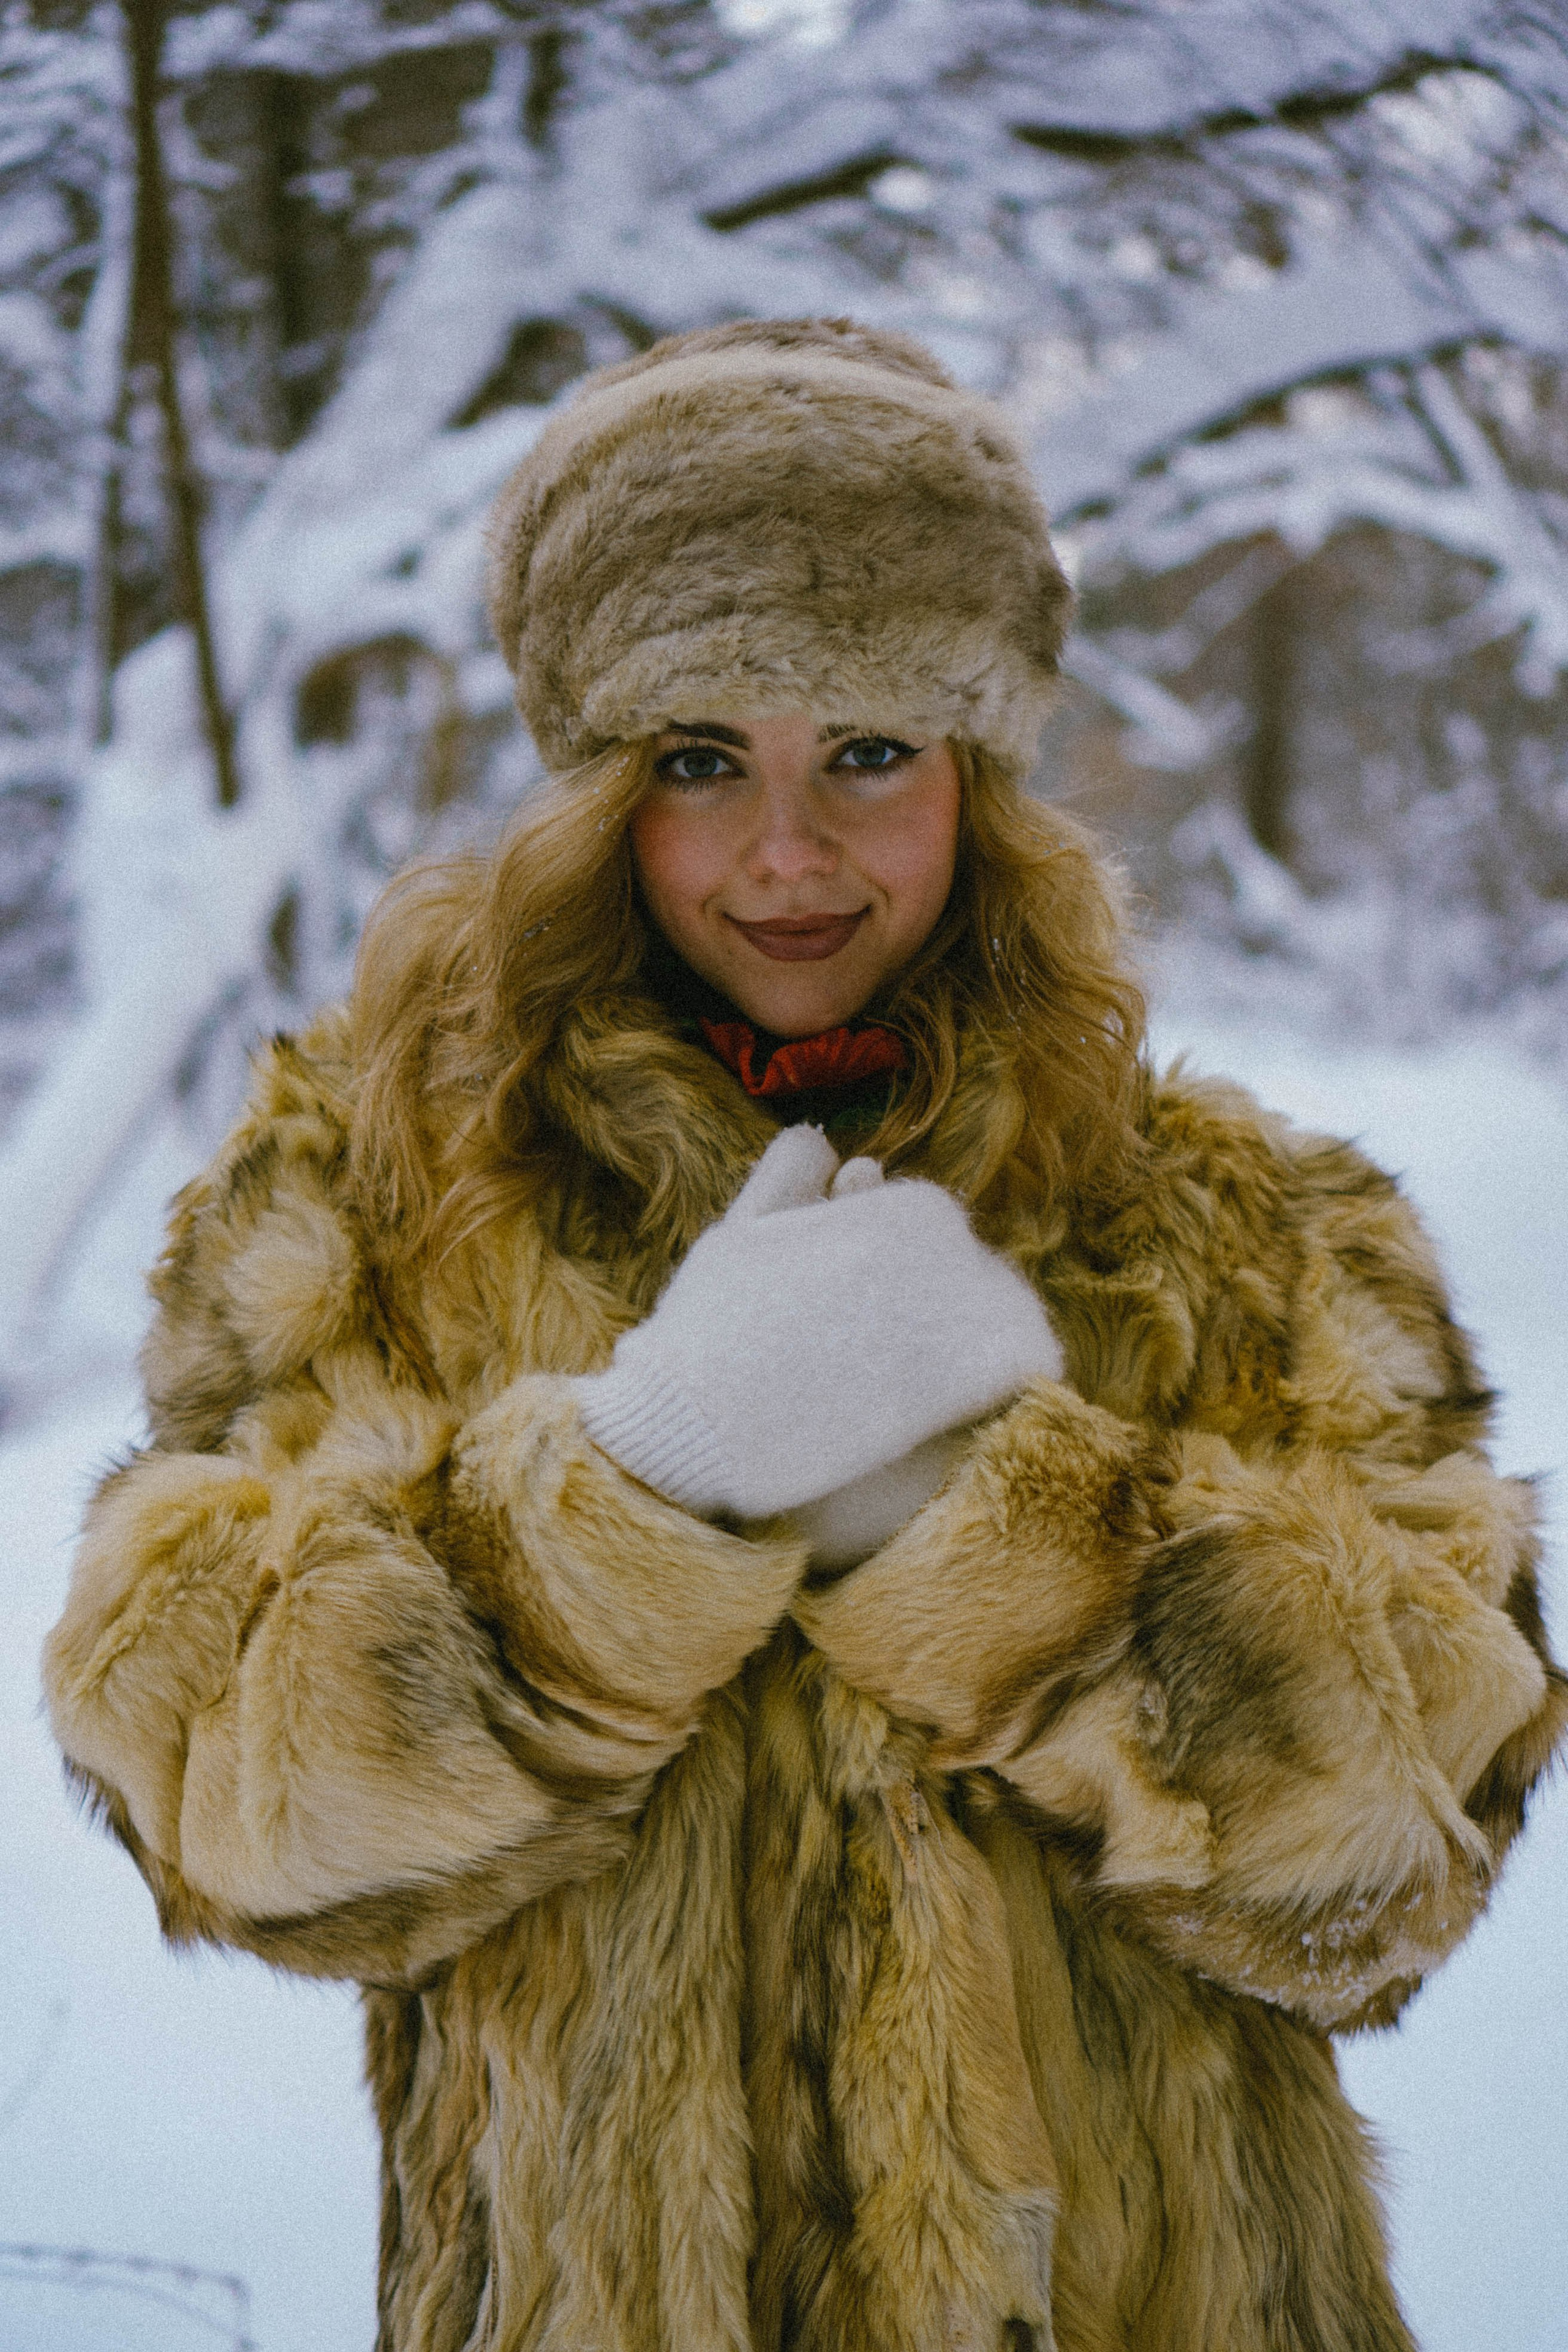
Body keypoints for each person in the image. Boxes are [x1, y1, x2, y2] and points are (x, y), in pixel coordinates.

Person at [43, 317, 1565, 2352]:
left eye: (867, 752)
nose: (787, 854)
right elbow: (219, 1801)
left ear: (977, 773)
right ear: (598, 790)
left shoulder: (1240, 1224)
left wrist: (992, 1535)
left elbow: (1398, 1863)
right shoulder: (372, 1198)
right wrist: (637, 1486)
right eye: (700, 760)